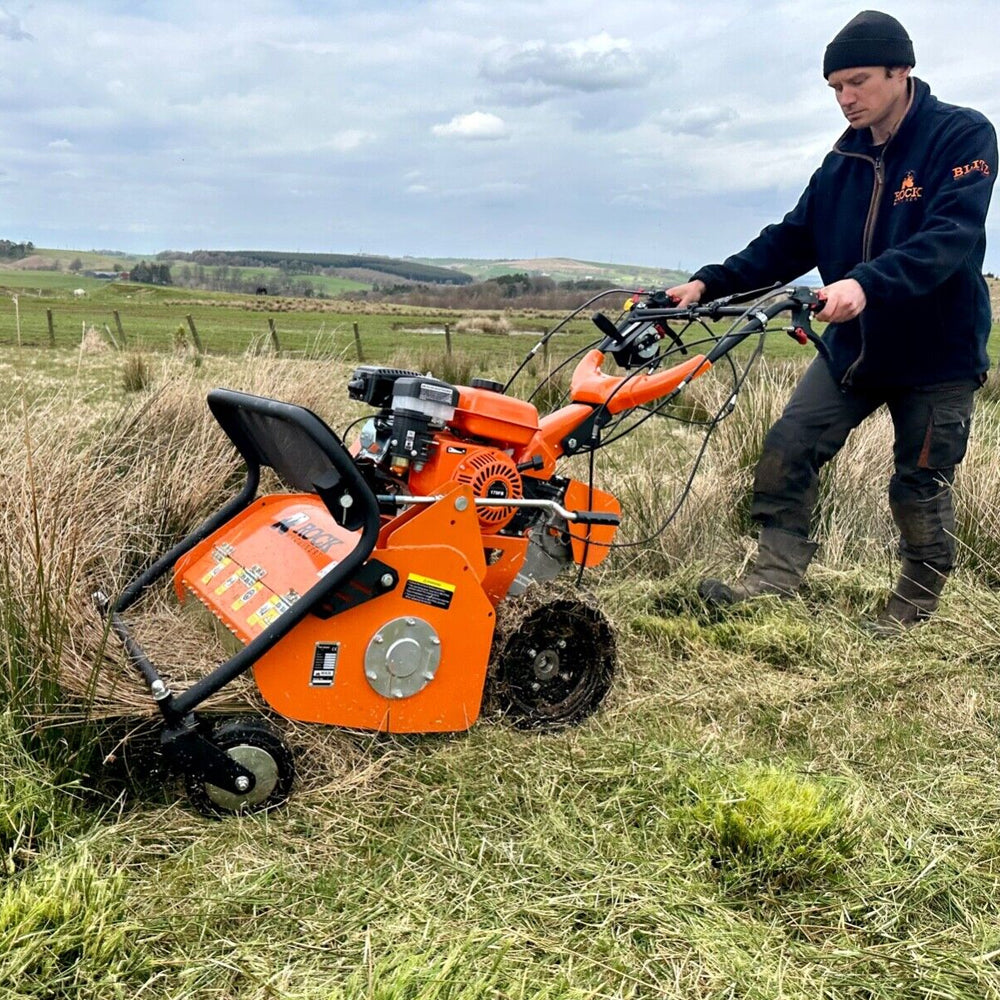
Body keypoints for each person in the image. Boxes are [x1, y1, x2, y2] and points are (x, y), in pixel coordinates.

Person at [667, 10, 997, 633]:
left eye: (858, 82)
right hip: (855, 350)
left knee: (920, 481)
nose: (846, 99)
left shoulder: (961, 136)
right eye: (835, 88)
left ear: (902, 71)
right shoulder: (842, 161)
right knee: (788, 447)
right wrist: (709, 281)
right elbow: (791, 240)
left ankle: (915, 603)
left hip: (938, 355)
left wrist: (865, 283)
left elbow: (948, 239)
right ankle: (773, 579)